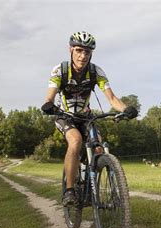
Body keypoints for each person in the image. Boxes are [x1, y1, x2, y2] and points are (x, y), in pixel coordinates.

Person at [41, 31, 138, 207]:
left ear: (91, 53)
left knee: (99, 148)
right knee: (76, 141)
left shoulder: (96, 72)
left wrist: (126, 109)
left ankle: (90, 185)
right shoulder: (60, 70)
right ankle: (70, 190)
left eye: (87, 52)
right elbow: (49, 98)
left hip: (86, 117)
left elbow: (112, 99)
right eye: (79, 50)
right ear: (70, 50)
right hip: (65, 116)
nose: (83, 55)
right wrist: (48, 105)